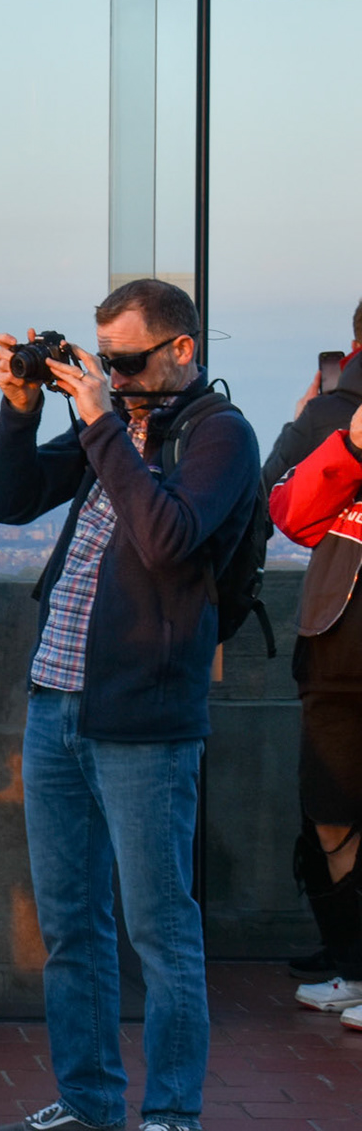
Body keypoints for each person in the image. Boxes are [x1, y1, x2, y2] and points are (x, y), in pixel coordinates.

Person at [0, 279, 259, 1131]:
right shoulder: (118, 426)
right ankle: (89, 1103)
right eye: (105, 361)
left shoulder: (220, 435)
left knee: (160, 930)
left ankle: (171, 1111)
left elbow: (169, 539)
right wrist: (22, 410)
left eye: (129, 361)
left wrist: (102, 420)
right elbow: (11, 501)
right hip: (56, 701)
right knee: (70, 926)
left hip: (145, 714)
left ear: (182, 348)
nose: (116, 376)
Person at [257, 300, 362, 991]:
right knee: (332, 807)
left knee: (334, 808)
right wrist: (340, 441)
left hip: (336, 640)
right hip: (338, 645)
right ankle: (353, 967)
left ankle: (353, 967)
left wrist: (306, 426)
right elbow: (283, 508)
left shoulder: (330, 411)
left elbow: (272, 501)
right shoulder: (338, 417)